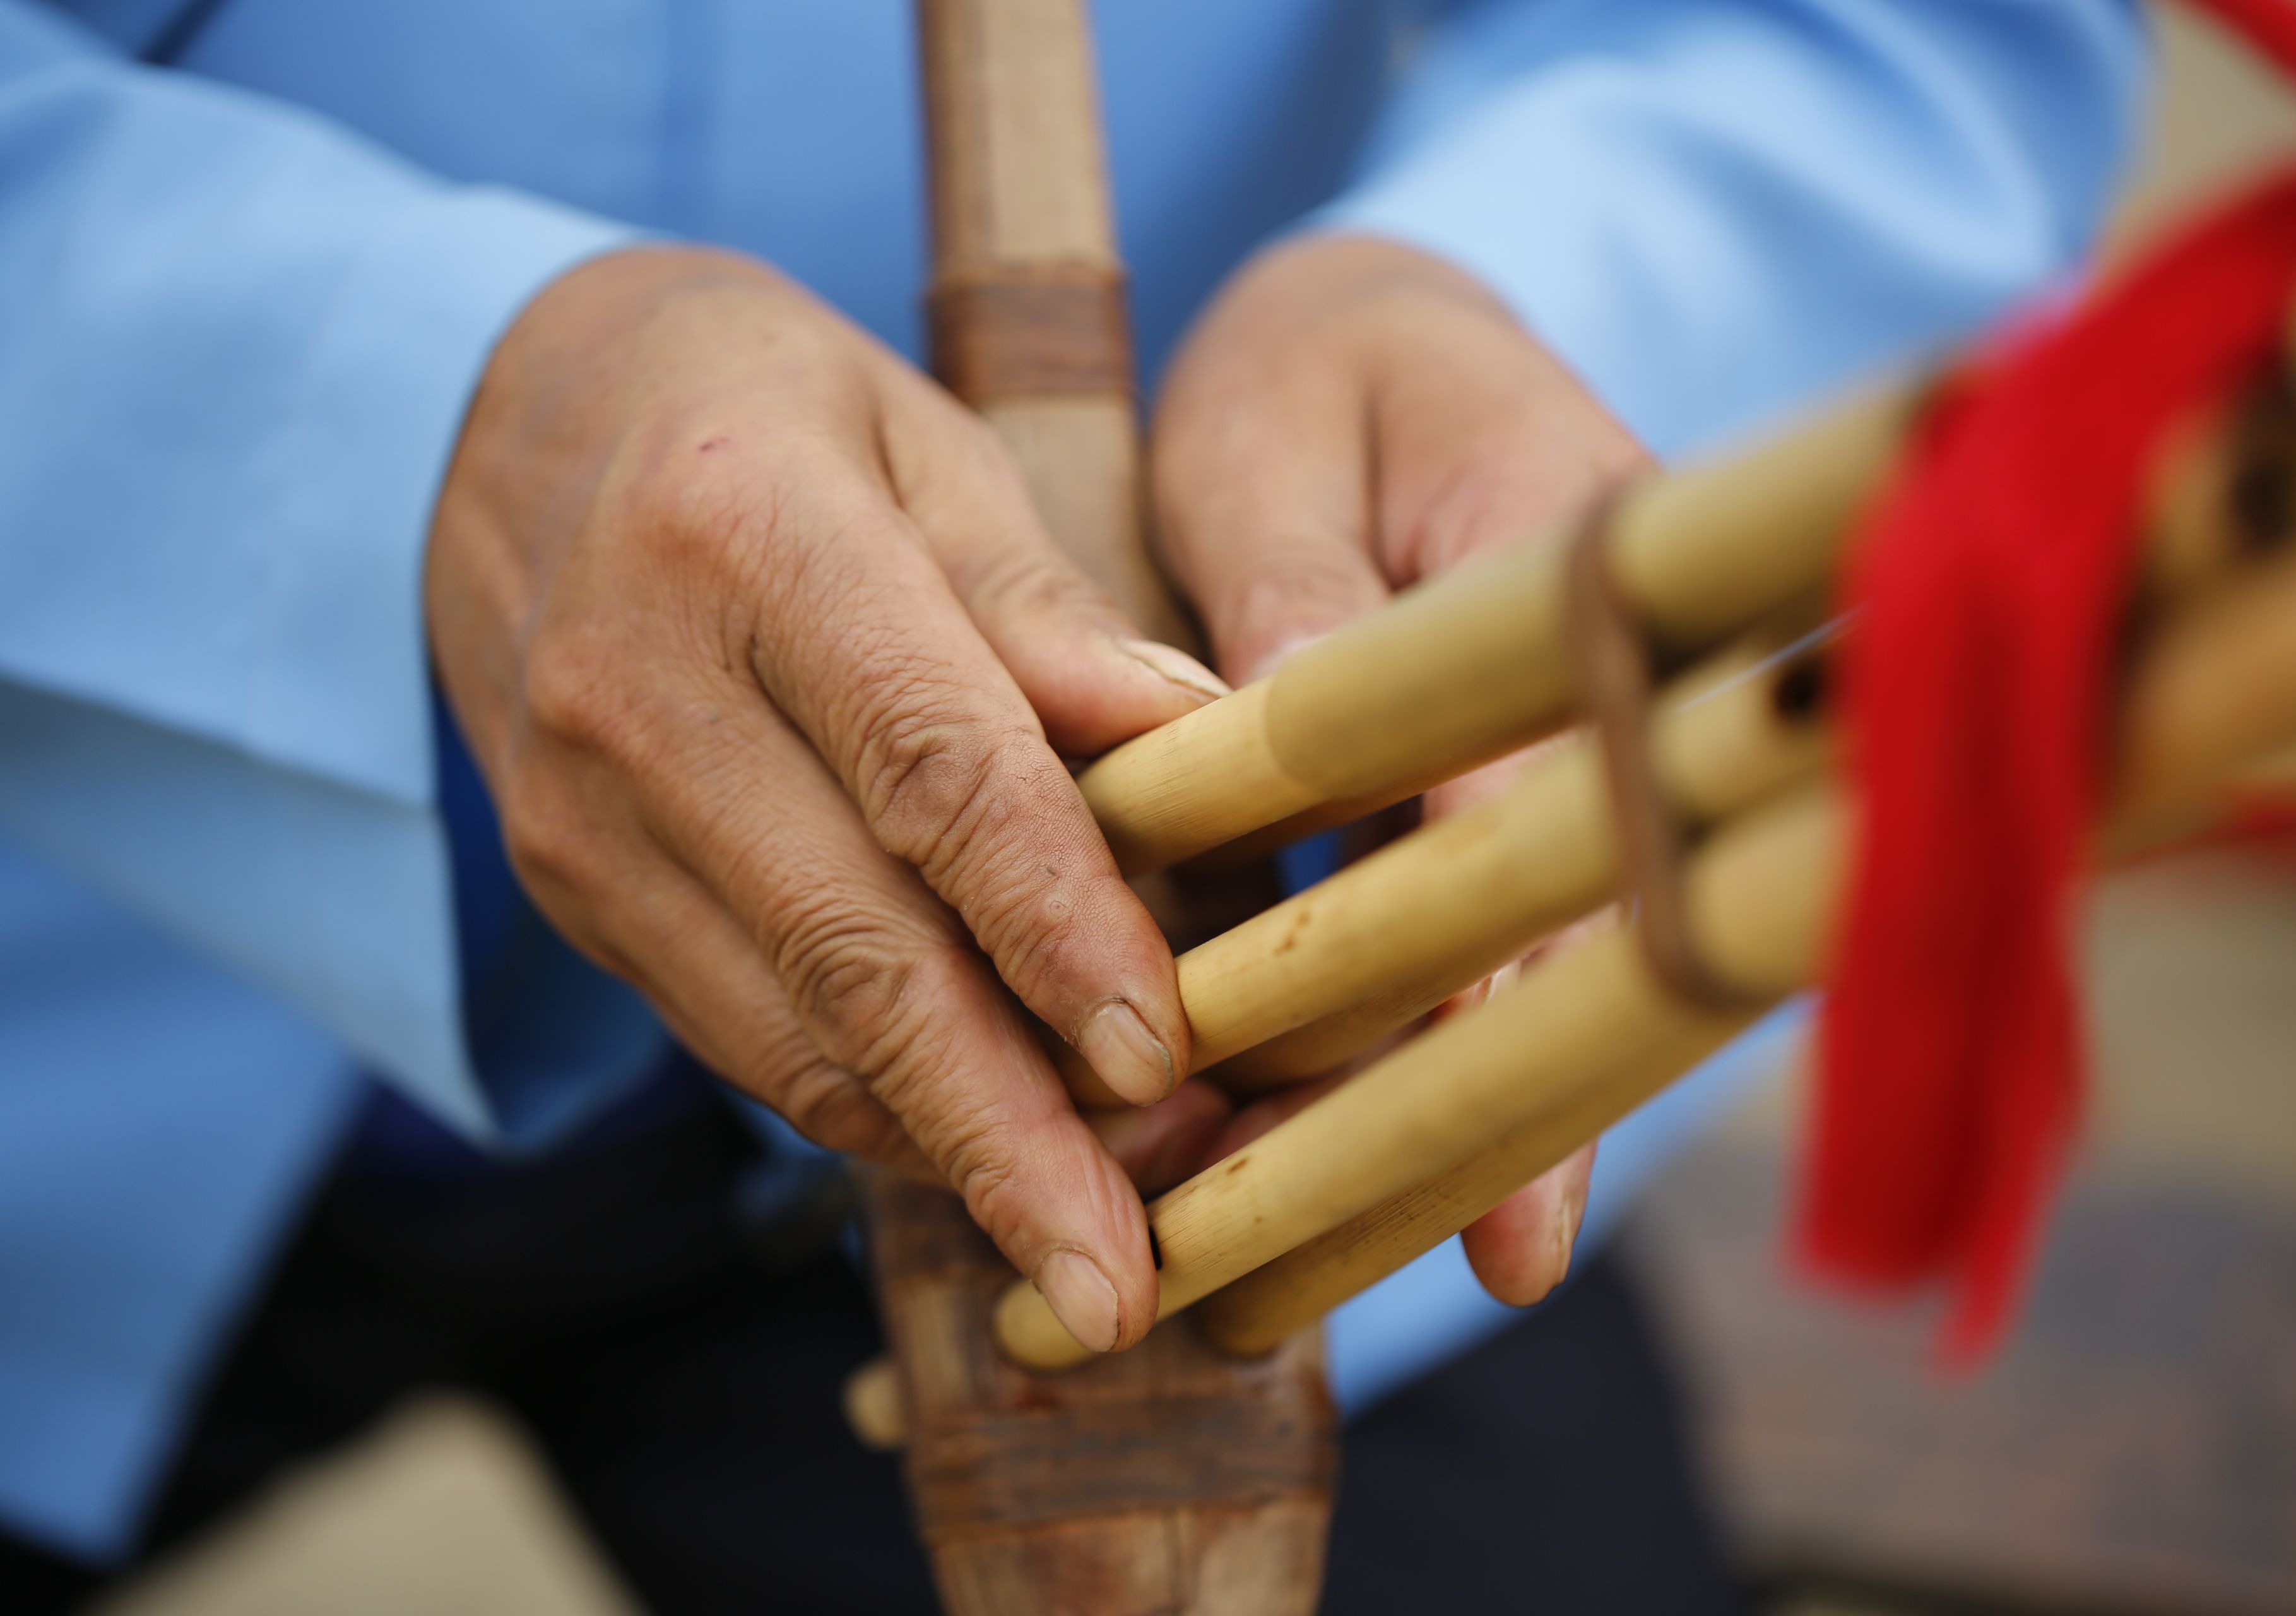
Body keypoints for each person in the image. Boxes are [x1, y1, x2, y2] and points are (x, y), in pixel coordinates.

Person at [0, 2, 2146, 1609]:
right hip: (81, 953)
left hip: (1245, 1038)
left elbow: (1905, 39)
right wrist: (402, 415)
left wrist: (1499, 291)